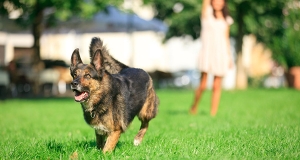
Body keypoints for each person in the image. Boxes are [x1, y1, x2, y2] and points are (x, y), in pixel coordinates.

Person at [189, 0, 233, 116]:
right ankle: (194, 106)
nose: (218, 3)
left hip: (221, 54)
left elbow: (226, 39)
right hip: (208, 52)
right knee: (203, 84)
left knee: (216, 85)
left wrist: (229, 57)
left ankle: (213, 112)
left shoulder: (226, 18)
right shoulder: (206, 14)